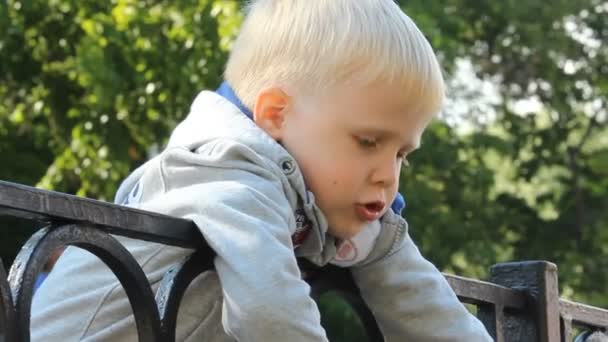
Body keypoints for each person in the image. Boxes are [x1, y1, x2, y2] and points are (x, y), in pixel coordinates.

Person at [31, 0, 493, 340]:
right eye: (368, 142)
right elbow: (271, 315)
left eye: (401, 154)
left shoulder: (333, 196)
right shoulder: (225, 172)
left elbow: (421, 300)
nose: (386, 176)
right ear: (277, 114)